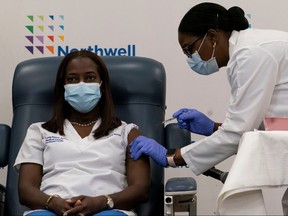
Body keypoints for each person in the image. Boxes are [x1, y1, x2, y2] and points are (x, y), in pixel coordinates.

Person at [129, 2, 288, 213]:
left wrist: (172, 157)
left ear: (212, 36)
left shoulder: (250, 54)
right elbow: (270, 126)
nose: (190, 58)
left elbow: (238, 132)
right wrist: (213, 126)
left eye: (189, 49)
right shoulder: (246, 52)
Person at [14, 50, 150, 216]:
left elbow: (141, 189)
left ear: (102, 85)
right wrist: (52, 202)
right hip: (51, 211)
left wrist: (102, 202)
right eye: (72, 79)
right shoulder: (39, 132)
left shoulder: (127, 133)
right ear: (63, 87)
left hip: (108, 211)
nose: (81, 84)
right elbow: (26, 189)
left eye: (90, 77)